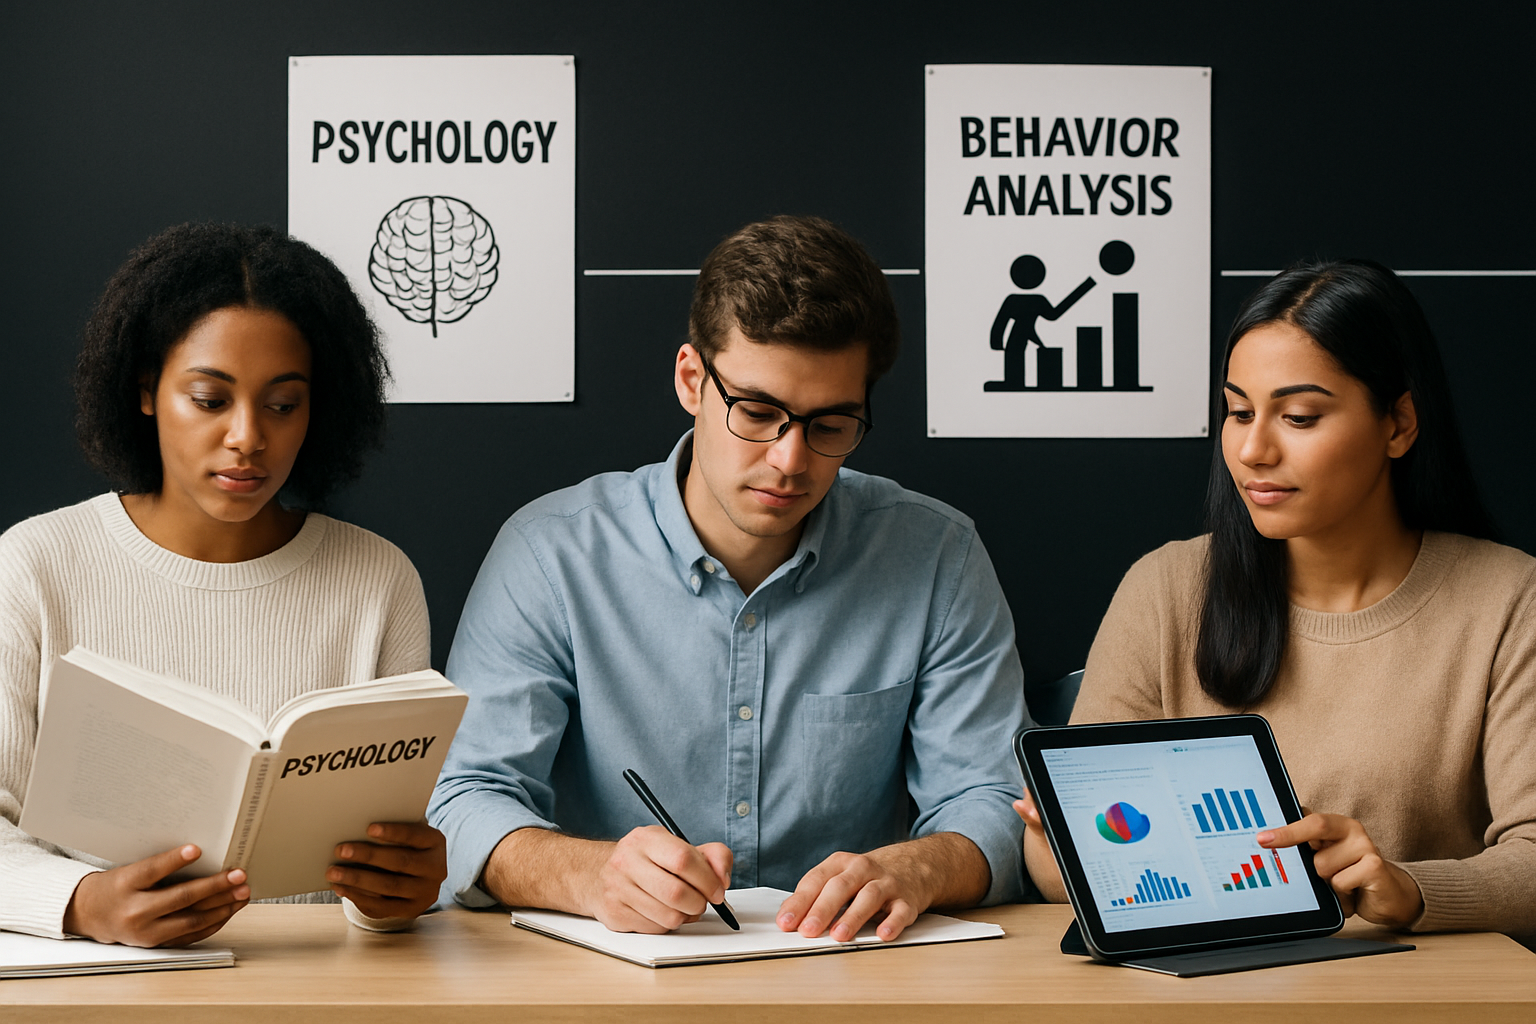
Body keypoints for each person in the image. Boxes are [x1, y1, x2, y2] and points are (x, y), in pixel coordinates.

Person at [431, 215, 1028, 940]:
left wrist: (919, 868)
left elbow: (995, 799)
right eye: (757, 412)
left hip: (849, 975)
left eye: (832, 424)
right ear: (691, 379)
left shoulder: (936, 556)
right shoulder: (551, 553)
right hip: (612, 978)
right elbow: (465, 798)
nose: (790, 459)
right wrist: (590, 876)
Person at [1016, 259, 1536, 945]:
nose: (1253, 450)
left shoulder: (1506, 598)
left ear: (1399, 424)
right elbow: (1056, 865)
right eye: (1237, 412)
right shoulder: (1165, 588)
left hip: (1414, 994)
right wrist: (1069, 852)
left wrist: (1408, 888)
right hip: (1194, 997)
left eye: (1298, 416)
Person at [0, 223, 448, 946]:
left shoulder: (376, 579)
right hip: (96, 987)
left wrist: (400, 890)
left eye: (282, 404)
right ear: (146, 391)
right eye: (210, 399)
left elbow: (390, 866)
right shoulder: (37, 564)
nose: (248, 437)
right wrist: (84, 903)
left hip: (320, 992)